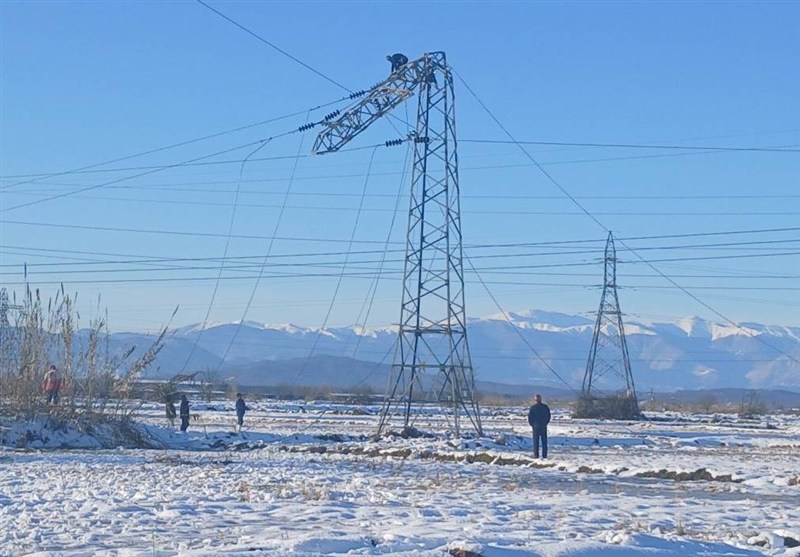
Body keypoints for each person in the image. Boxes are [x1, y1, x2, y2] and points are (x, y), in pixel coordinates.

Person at [527, 393, 551, 458]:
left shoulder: (533, 407)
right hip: (542, 426)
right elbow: (548, 416)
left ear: (535, 400)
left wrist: (533, 424)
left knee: (536, 441)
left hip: (536, 427)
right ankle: (544, 455)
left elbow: (530, 418)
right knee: (544, 441)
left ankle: (536, 455)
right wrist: (545, 423)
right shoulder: (545, 407)